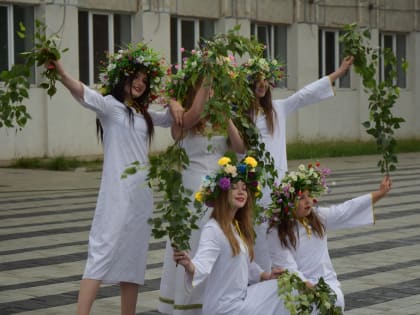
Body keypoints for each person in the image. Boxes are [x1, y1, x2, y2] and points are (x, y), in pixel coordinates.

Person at [47, 43, 177, 315]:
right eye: (135, 78)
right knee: (101, 252)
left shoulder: (144, 114)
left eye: (145, 80)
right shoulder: (109, 106)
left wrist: (176, 98)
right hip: (116, 193)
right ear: (123, 78)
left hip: (141, 197)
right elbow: (81, 92)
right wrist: (60, 71)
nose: (140, 84)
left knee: (133, 259)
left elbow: (175, 118)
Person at [242, 56, 355, 271]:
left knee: (274, 232)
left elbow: (305, 95)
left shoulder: (278, 109)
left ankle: (277, 278)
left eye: (266, 80)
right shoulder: (240, 115)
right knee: (255, 230)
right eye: (257, 79)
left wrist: (338, 73)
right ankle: (256, 279)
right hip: (252, 184)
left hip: (277, 183)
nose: (262, 85)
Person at [158, 51, 246, 315]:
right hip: (191, 188)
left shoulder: (221, 117)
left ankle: (214, 300)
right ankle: (187, 305)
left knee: (214, 242)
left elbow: (241, 148)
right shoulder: (181, 118)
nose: (210, 92)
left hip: (218, 189)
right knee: (194, 241)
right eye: (206, 87)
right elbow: (191, 116)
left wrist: (226, 115)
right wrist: (204, 75)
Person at [265, 163, 392, 311]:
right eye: (301, 198)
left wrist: (380, 193)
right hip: (296, 286)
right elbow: (287, 266)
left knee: (336, 301)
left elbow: (347, 209)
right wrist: (308, 287)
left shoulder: (318, 217)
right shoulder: (277, 230)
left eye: (310, 196)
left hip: (326, 282)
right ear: (288, 201)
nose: (308, 201)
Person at [173, 155, 289, 315]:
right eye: (234, 187)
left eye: (244, 188)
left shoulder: (236, 227)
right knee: (282, 295)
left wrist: (266, 276)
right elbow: (202, 264)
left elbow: (246, 266)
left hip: (240, 301)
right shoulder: (214, 229)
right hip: (224, 307)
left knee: (284, 287)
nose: (241, 191)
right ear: (223, 193)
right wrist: (189, 265)